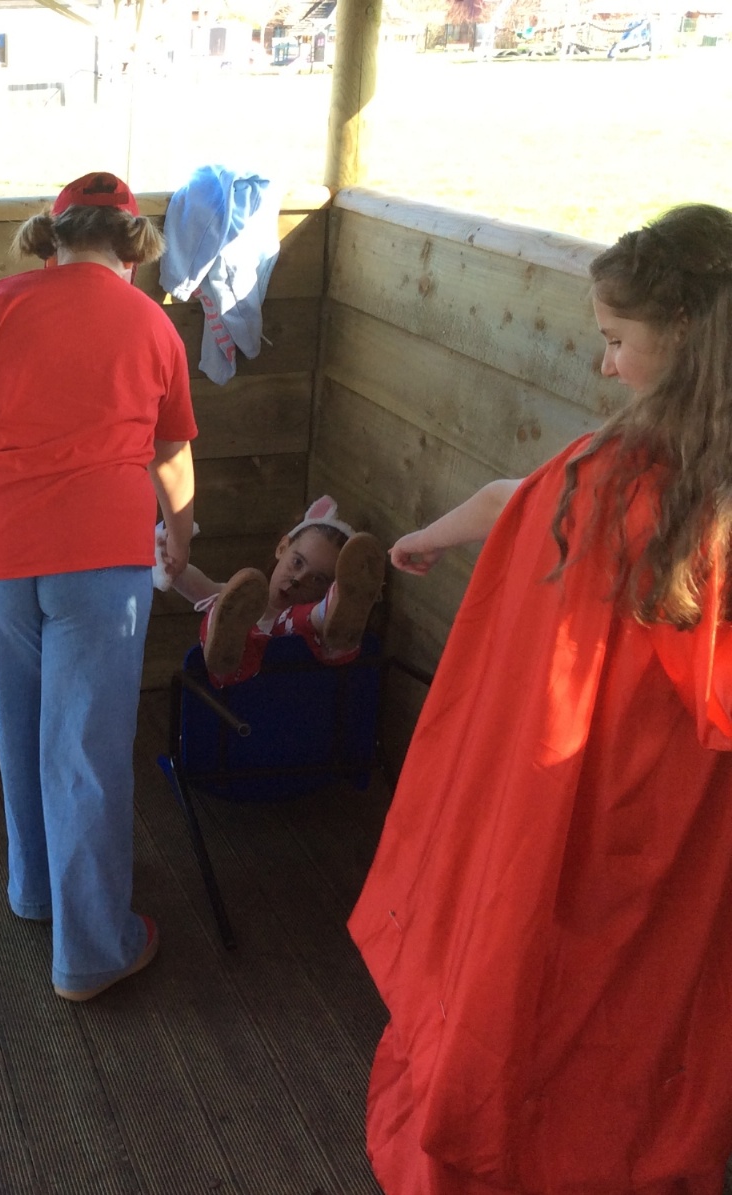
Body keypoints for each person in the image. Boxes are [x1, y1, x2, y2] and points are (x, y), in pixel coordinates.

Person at [350, 203, 732, 1194]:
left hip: (581, 804)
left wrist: (423, 539)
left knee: (547, 983)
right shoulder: (688, 491)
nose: (604, 365)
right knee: (651, 995)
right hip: (686, 812)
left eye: (615, 340)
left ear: (683, 334)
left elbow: (509, 498)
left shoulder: (605, 481)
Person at [0, 172, 197, 1003]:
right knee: (87, 750)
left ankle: (35, 891)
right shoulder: (152, 324)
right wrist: (179, 537)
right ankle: (93, 950)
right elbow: (171, 455)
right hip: (102, 560)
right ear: (133, 249)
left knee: (26, 726)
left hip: (1, 556)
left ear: (53, 240)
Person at [160, 496, 386, 684]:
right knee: (220, 606)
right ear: (282, 548)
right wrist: (173, 565)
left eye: (318, 579)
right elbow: (200, 587)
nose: (298, 580)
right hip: (239, 694)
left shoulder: (303, 622)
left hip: (307, 688)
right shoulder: (241, 600)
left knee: (309, 626)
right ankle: (226, 650)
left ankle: (338, 607)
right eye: (297, 562)